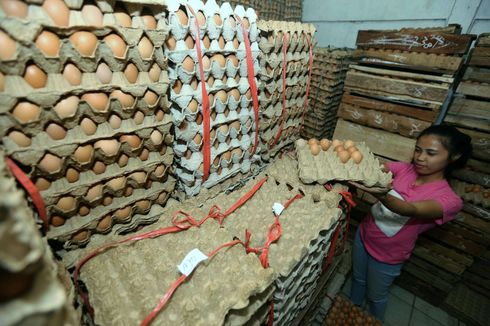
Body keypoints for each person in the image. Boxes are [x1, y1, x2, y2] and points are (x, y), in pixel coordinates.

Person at [349, 124, 472, 322]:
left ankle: (373, 320)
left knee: (376, 296)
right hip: (363, 236)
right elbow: (378, 167)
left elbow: (411, 209)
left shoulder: (449, 200)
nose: (420, 158)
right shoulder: (406, 169)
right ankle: (351, 306)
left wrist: (379, 191)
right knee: (358, 278)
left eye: (431, 153)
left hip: (388, 256)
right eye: (418, 150)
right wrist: (357, 162)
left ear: (454, 156)